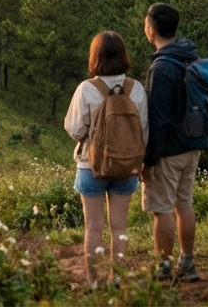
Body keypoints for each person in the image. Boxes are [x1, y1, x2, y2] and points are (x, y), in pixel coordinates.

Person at [64, 31, 149, 287]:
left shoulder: (87, 89)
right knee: (119, 228)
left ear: (95, 56)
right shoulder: (136, 89)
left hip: (92, 166)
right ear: (124, 55)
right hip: (126, 166)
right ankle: (117, 278)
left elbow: (75, 129)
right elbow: (143, 130)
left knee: (93, 227)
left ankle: (93, 281)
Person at [142, 3, 201, 283]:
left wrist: (150, 159)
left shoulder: (162, 66)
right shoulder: (189, 56)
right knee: (184, 204)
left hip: (169, 150)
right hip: (192, 146)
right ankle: (187, 263)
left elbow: (159, 118)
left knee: (162, 209)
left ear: (151, 30)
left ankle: (163, 268)